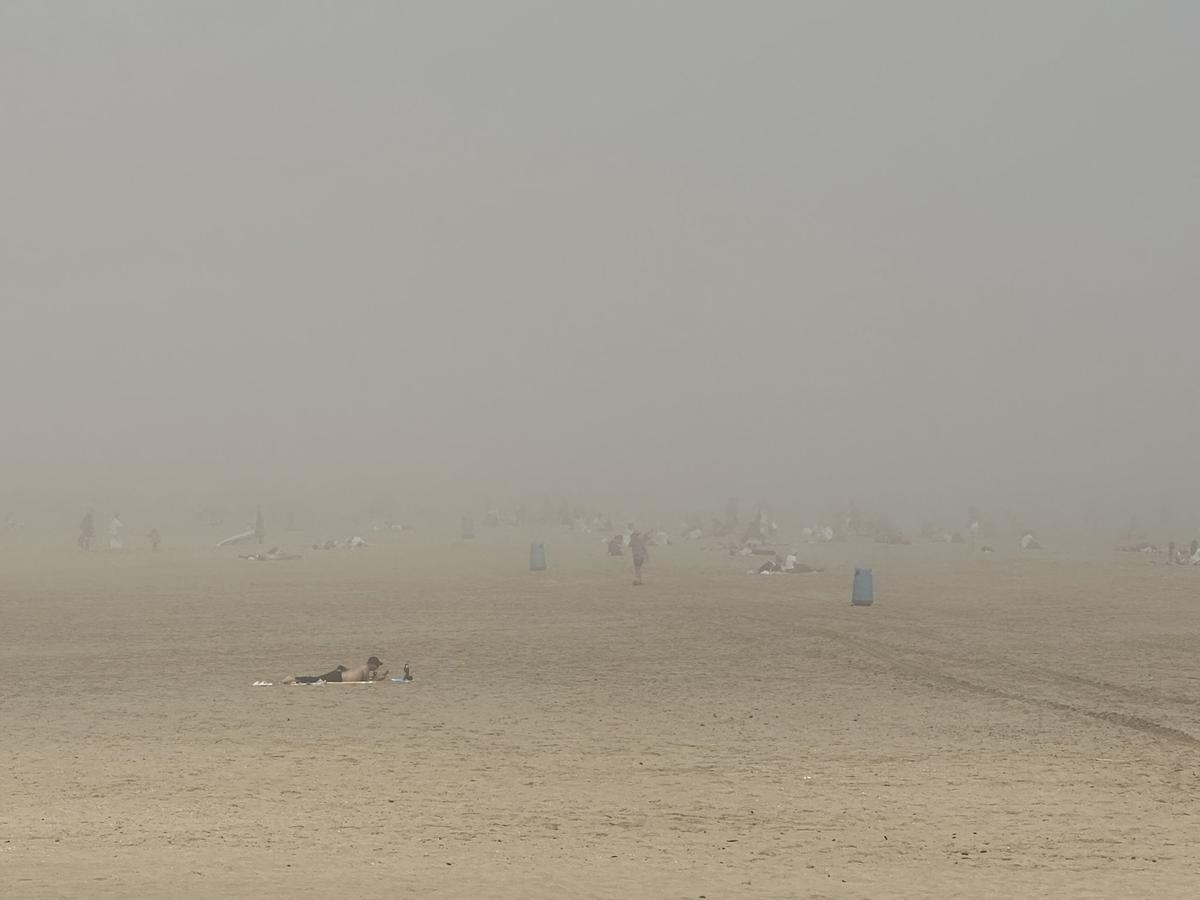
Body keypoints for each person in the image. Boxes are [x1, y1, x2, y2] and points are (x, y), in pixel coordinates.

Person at [285, 656, 388, 684]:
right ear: (372, 664)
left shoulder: (363, 668)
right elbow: (365, 682)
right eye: (377, 665)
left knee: (317, 679)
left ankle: (296, 679)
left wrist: (376, 677)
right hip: (338, 677)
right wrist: (377, 678)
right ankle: (294, 679)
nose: (378, 667)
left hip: (339, 675)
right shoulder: (365, 668)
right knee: (316, 679)